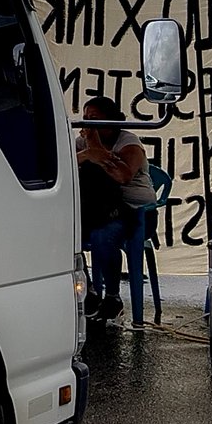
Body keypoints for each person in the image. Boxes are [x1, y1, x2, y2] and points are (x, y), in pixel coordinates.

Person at [76, 95, 149, 320]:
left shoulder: (129, 143)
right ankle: (88, 291)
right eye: (85, 119)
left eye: (94, 119)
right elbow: (66, 168)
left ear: (111, 121)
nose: (88, 125)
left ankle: (113, 297)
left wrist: (98, 151)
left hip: (133, 212)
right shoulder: (82, 144)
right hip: (95, 209)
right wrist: (88, 153)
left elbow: (123, 176)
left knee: (102, 237)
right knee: (67, 235)